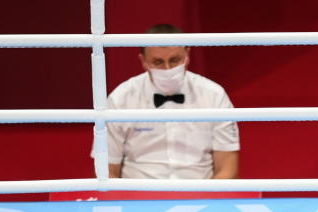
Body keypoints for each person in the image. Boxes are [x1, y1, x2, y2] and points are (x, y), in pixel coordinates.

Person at [100, 24, 240, 179]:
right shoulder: (120, 98)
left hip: (200, 193)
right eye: (158, 62)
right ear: (143, 61)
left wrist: (208, 201)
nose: (168, 69)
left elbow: (227, 167)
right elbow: (107, 168)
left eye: (174, 60)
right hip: (137, 195)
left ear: (187, 55)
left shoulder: (214, 95)